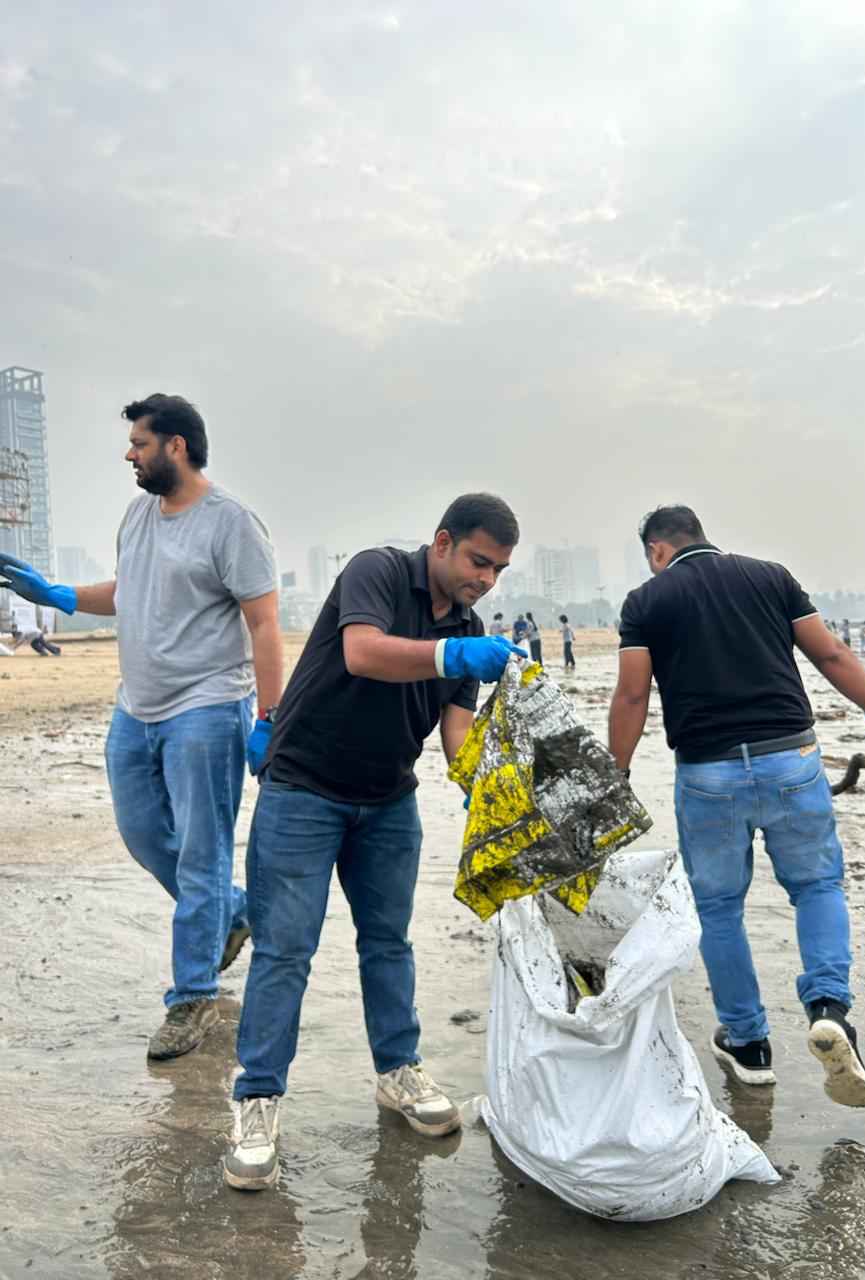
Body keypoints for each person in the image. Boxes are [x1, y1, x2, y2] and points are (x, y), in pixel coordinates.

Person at [224, 493, 522, 1192]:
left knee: (389, 942)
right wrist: (451, 651)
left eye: (501, 569)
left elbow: (454, 737)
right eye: (479, 561)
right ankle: (257, 1100)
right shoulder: (378, 573)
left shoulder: (472, 626)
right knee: (286, 949)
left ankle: (398, 1071)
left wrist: (493, 792)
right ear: (443, 543)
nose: (486, 579)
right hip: (304, 789)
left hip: (389, 800)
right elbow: (362, 654)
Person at [0, 394, 282, 1062]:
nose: (130, 453)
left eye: (139, 443)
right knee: (141, 832)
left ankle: (191, 997)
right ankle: (234, 911)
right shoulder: (139, 515)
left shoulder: (231, 524)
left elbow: (265, 623)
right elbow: (129, 593)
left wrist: (269, 719)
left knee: (201, 851)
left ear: (176, 446)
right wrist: (59, 595)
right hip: (137, 709)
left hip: (208, 708)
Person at [608, 505, 865, 1109]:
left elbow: (632, 693)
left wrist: (617, 773)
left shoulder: (646, 600)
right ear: (702, 536)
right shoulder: (771, 576)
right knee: (817, 886)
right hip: (791, 760)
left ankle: (749, 1048)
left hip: (708, 773)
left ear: (656, 550)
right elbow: (828, 656)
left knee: (720, 909)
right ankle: (829, 1009)